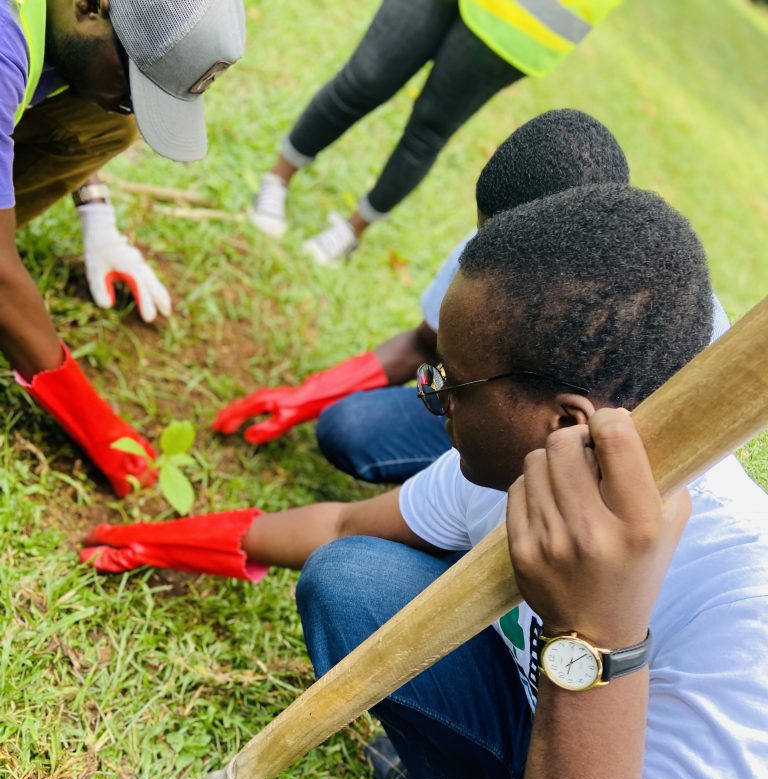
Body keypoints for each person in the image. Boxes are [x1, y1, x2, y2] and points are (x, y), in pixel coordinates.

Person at [81, 184, 768, 779]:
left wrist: (598, 637)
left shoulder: (744, 609)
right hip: (543, 734)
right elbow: (340, 522)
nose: (428, 394)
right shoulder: (546, 461)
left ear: (564, 418)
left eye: (450, 383)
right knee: (352, 577)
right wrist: (177, 538)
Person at [220, 108, 731, 484]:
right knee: (351, 427)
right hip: (493, 422)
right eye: (485, 239)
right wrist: (306, 395)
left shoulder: (677, 326)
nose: (484, 252)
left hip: (586, 477)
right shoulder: (497, 247)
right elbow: (424, 347)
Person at [2, 0, 245, 495]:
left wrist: (98, 219)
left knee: (105, 118)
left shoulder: (66, 21)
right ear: (92, 5)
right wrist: (97, 426)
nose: (129, 102)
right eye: (134, 86)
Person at [249, 0, 622, 264]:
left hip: (522, 21)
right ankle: (277, 178)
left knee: (428, 129)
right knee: (363, 79)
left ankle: (351, 231)